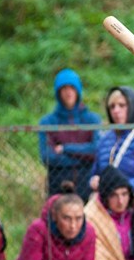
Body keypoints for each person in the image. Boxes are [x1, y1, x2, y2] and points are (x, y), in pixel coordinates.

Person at [39, 68, 101, 201]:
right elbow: (47, 157)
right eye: (64, 88)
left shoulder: (92, 120)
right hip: (58, 186)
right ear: (58, 92)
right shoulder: (48, 122)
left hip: (86, 186)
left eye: (72, 88)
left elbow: (95, 150)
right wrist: (83, 159)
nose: (68, 92)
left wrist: (65, 149)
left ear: (78, 90)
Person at [89, 86, 134, 194]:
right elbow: (95, 171)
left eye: (122, 105)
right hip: (108, 200)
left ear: (133, 107)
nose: (116, 110)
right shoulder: (105, 140)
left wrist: (126, 186)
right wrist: (94, 180)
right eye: (112, 107)